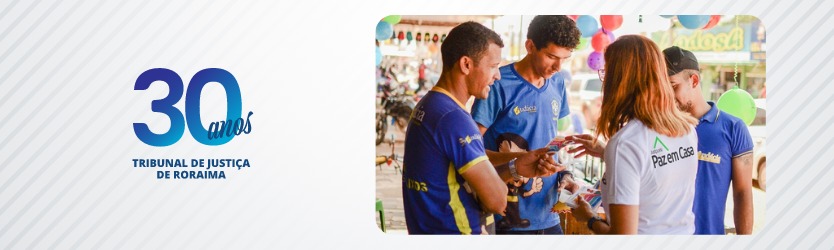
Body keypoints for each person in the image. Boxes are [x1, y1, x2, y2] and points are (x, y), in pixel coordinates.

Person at [402, 21, 561, 235]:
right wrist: (513, 170)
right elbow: (497, 201)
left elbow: (463, 162)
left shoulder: (431, 105)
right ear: (466, 64)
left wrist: (517, 163)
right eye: (493, 66)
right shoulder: (454, 118)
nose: (497, 76)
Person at [566, 35, 700, 234]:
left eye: (606, 72)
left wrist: (589, 218)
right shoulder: (686, 128)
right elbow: (655, 174)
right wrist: (606, 154)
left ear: (620, 79)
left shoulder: (626, 144)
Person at [471, 15, 580, 235]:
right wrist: (518, 160)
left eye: (565, 58)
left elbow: (548, 142)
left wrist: (564, 174)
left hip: (548, 214)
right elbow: (471, 151)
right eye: (551, 56)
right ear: (530, 46)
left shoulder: (557, 82)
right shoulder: (499, 84)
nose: (558, 67)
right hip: (506, 215)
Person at [663, 46, 754, 235]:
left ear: (694, 80)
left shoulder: (733, 128)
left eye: (672, 86)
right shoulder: (661, 128)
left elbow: (743, 193)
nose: (668, 95)